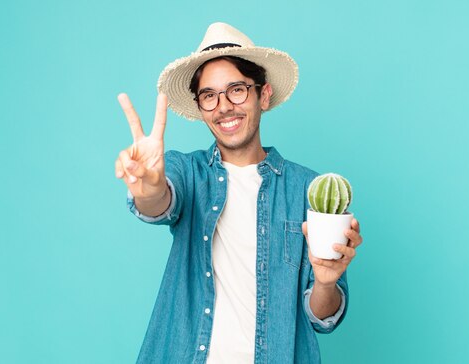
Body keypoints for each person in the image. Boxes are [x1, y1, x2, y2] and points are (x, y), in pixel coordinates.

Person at [115, 22, 363, 364]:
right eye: (209, 95)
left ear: (263, 94)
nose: (223, 106)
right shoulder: (187, 172)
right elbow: (160, 200)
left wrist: (325, 283)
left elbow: (323, 317)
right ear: (200, 107)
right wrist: (150, 186)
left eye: (236, 90)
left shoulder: (310, 190)